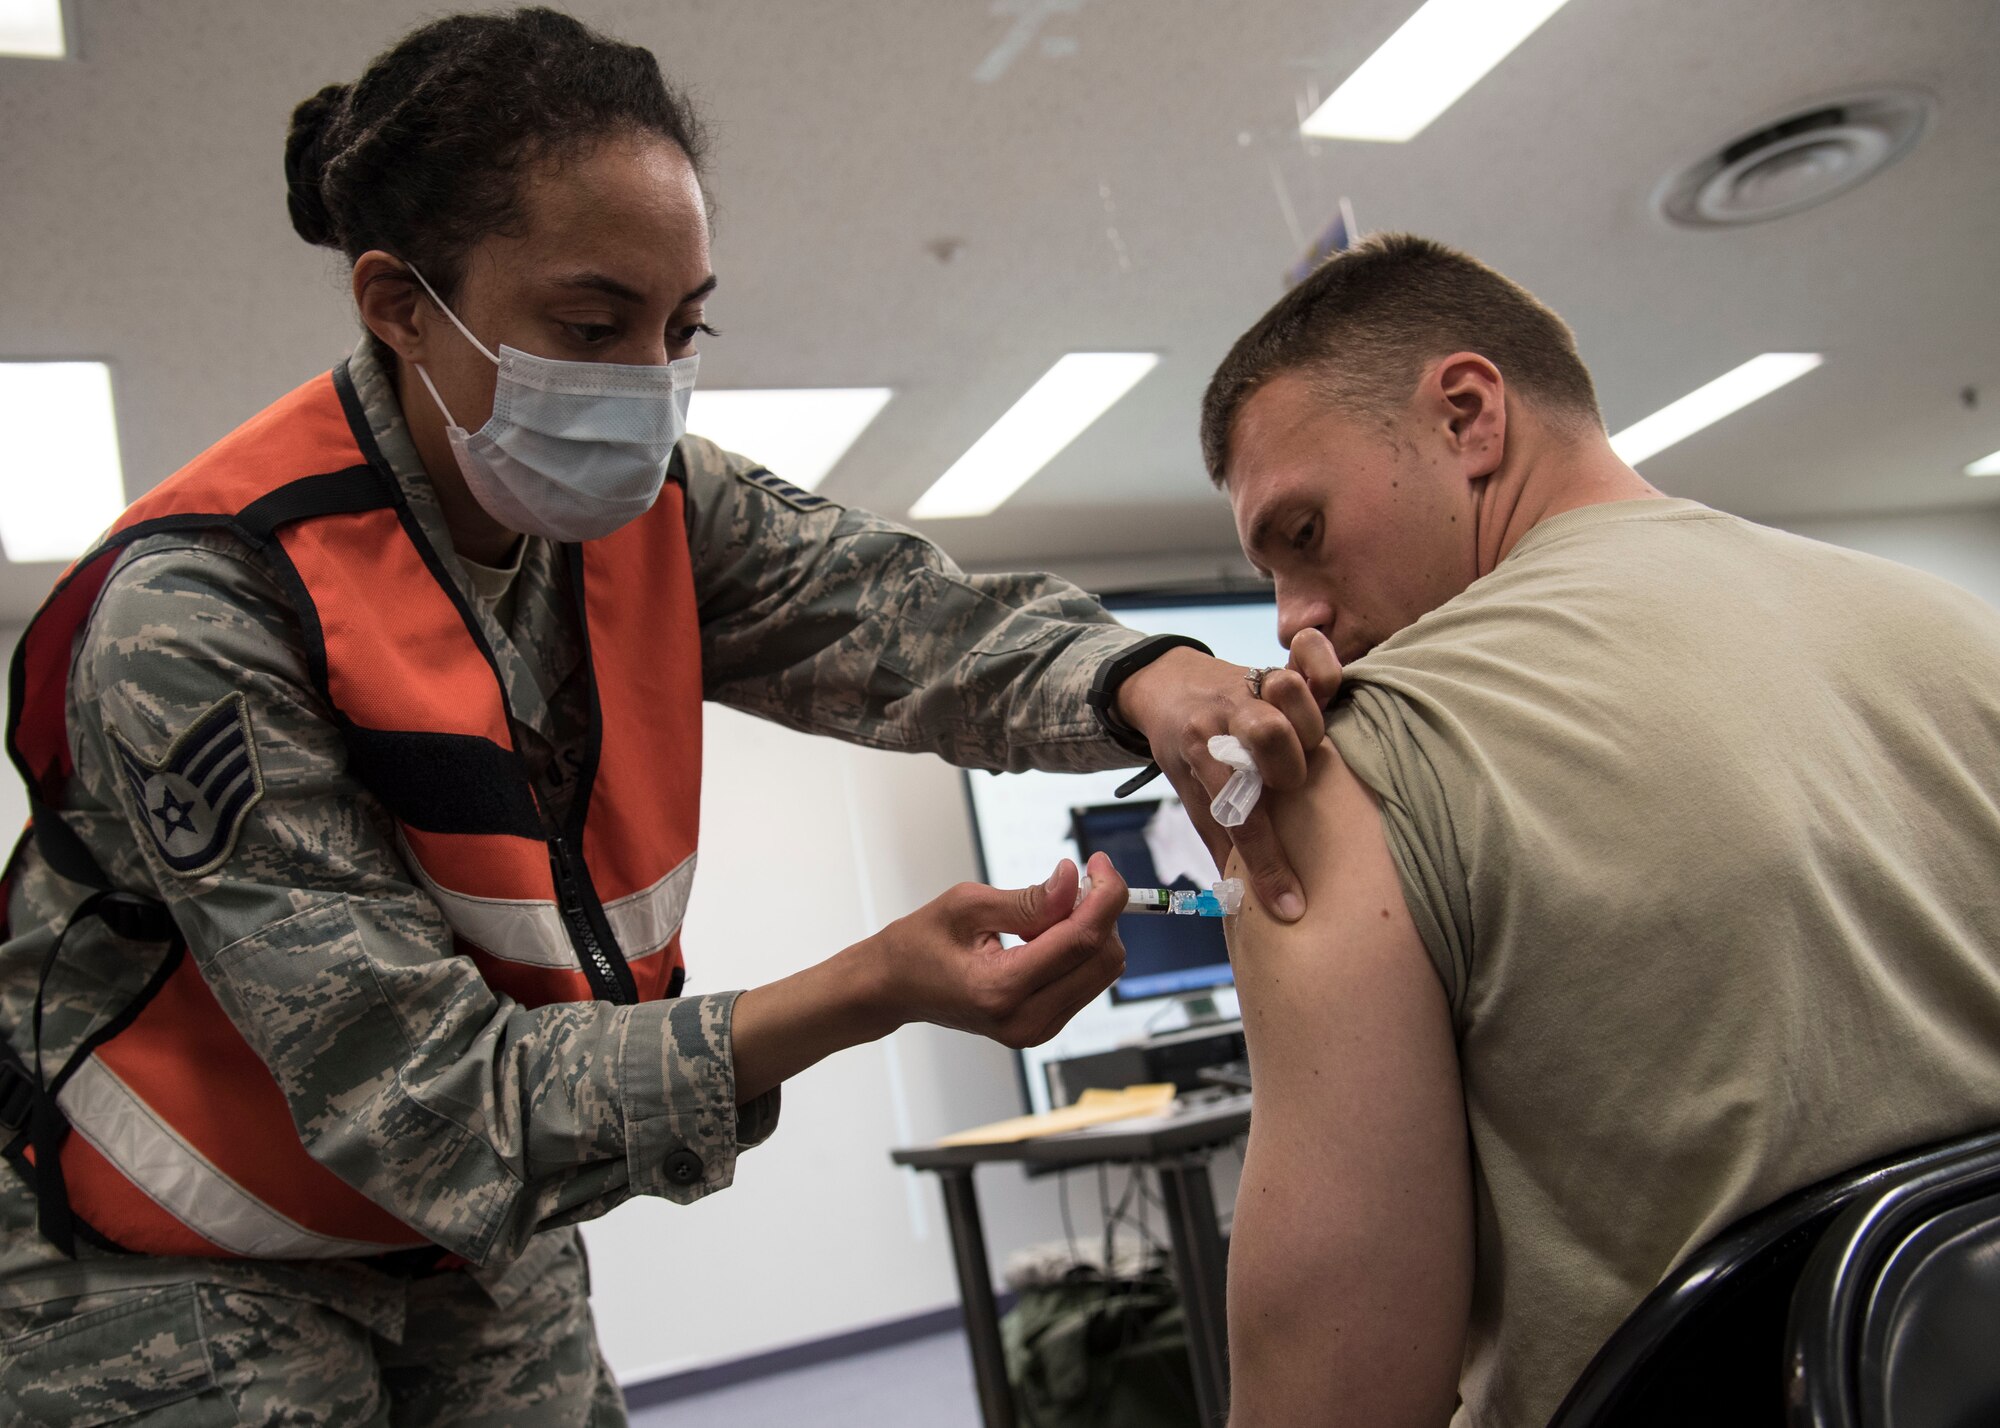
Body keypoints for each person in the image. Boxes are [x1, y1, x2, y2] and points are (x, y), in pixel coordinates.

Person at [0, 10, 1327, 1424]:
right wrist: (873, 986)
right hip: (162, 1255)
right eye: (591, 326)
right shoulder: (204, 611)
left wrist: (1145, 680)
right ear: (397, 303)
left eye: (682, 327)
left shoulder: (655, 510)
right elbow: (426, 1102)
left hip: (468, 1236)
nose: (646, 384)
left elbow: (903, 620)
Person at [1205, 233, 2000, 1427]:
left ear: (1468, 416)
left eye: (1302, 536)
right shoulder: (1959, 633)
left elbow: (1331, 1402)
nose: (1293, 621)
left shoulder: (1356, 767)